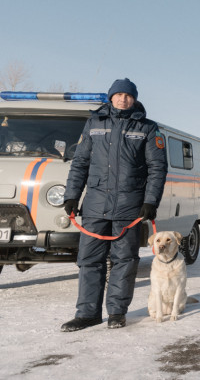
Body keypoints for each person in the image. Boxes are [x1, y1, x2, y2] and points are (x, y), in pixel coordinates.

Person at [61, 78, 167, 331]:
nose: (123, 99)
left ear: (134, 99)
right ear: (110, 97)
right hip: (95, 204)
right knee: (89, 260)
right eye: (118, 94)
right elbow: (80, 163)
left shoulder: (148, 128)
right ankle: (87, 314)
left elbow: (157, 167)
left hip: (129, 205)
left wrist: (150, 201)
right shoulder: (94, 123)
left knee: (124, 260)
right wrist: (72, 195)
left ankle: (117, 312)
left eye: (128, 95)